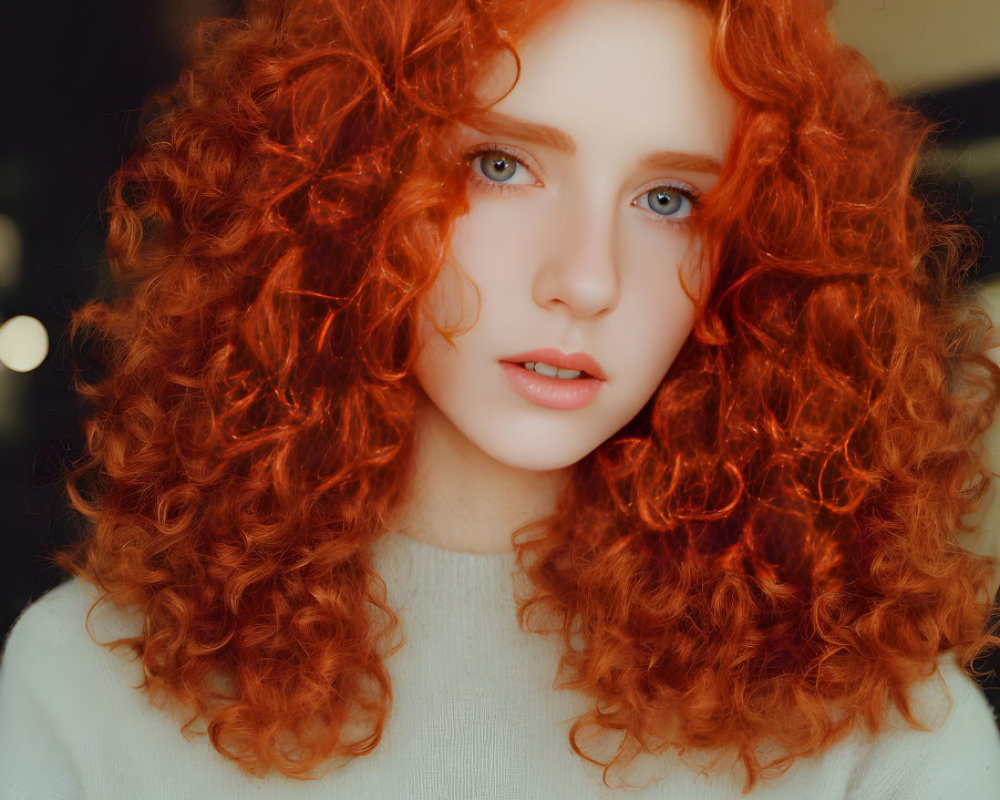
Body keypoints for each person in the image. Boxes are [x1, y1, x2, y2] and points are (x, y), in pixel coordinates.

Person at [2, 0, 1000, 796]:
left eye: (670, 200)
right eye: (500, 164)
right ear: (351, 188)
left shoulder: (882, 737)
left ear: (755, 260)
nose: (586, 278)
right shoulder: (82, 686)